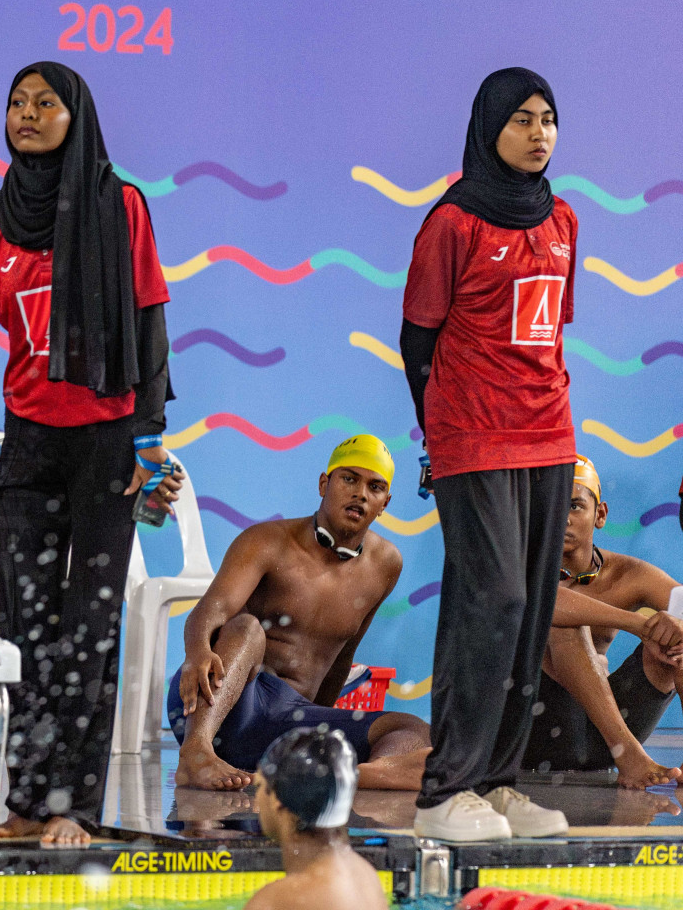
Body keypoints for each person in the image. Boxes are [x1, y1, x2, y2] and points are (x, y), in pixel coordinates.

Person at [0, 61, 182, 846]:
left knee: (90, 626)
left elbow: (149, 321)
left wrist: (150, 435)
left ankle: (74, 806)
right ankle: (23, 800)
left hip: (109, 442)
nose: (28, 114)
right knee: (27, 626)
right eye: (16, 102)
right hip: (30, 444)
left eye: (45, 103)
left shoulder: (121, 206)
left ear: (77, 115)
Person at [402, 67, 577, 842]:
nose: (538, 133)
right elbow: (419, 340)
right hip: (473, 435)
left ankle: (499, 784)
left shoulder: (563, 219)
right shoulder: (453, 222)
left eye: (548, 119)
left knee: (531, 613)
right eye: (522, 121)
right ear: (488, 129)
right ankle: (446, 790)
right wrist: (435, 439)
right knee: (492, 599)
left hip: (551, 434)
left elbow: (553, 331)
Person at [169, 436, 431, 792]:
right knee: (247, 627)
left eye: (375, 486)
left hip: (288, 722)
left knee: (413, 729)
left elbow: (343, 656)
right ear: (324, 483)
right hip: (222, 703)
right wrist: (197, 650)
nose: (360, 494)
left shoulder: (385, 564)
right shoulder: (267, 540)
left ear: (385, 503)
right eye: (349, 479)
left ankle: (362, 773)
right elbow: (211, 611)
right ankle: (195, 754)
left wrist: (319, 730)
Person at [522, 455, 683, 786]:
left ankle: (629, 754)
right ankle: (631, 756)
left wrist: (674, 626)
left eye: (575, 506)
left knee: (675, 640)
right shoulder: (517, 571)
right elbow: (551, 603)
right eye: (549, 507)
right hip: (536, 737)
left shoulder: (628, 574)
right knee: (565, 623)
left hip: (603, 739)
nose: (562, 518)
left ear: (601, 515)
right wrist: (636, 623)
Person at [245, 728, 387, 910]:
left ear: (277, 800)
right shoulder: (365, 876)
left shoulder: (279, 900)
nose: (256, 799)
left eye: (258, 786)